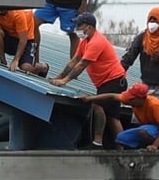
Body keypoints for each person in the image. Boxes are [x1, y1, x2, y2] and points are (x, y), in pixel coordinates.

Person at [49, 12, 125, 147]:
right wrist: (59, 76)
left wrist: (65, 81)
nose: (77, 28)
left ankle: (97, 142)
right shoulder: (84, 42)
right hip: (105, 81)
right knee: (113, 117)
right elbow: (75, 60)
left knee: (97, 105)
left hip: (113, 79)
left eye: (80, 25)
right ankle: (122, 147)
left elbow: (82, 64)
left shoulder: (97, 41)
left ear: (89, 27)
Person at [78, 83, 159, 151]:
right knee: (121, 138)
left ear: (141, 98)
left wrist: (155, 145)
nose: (129, 101)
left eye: (132, 99)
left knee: (143, 131)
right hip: (150, 129)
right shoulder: (131, 100)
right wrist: (90, 98)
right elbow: (112, 96)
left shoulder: (154, 104)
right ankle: (143, 147)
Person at [0, 10, 49, 76]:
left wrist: (15, 60)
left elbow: (23, 39)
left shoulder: (18, 14)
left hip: (26, 41)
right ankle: (3, 61)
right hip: (9, 37)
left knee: (25, 68)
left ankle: (43, 67)